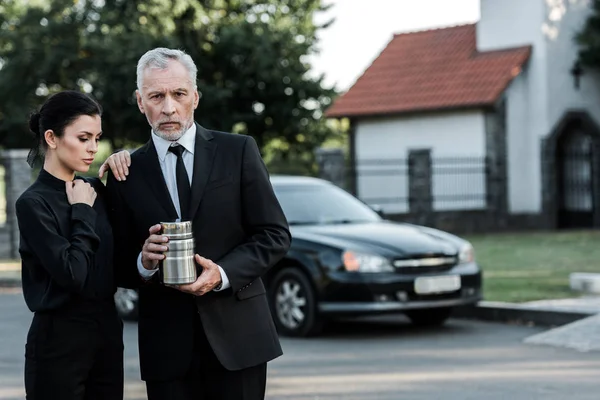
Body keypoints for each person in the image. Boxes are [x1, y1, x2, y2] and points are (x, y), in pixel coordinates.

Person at [103, 47, 291, 400]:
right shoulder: (125, 173)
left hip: (240, 339)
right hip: (167, 349)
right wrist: (142, 263)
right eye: (156, 96)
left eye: (179, 94)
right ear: (140, 102)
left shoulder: (238, 151)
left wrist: (221, 274)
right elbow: (116, 264)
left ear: (196, 97)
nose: (169, 107)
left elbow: (274, 234)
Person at [15, 90, 124, 399]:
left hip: (106, 335)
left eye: (97, 138)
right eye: (83, 137)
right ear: (52, 137)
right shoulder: (33, 204)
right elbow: (74, 273)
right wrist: (81, 212)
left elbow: (114, 260)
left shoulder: (94, 190)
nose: (93, 148)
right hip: (57, 344)